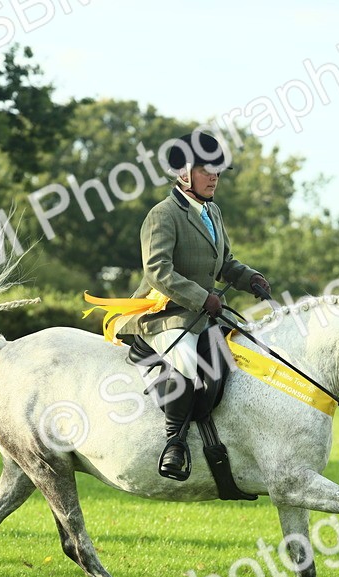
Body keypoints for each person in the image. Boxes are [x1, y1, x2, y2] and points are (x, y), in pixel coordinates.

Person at [113, 131, 271, 480]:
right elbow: (157, 271)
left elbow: (225, 262)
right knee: (186, 362)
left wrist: (250, 279)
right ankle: (175, 443)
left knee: (230, 363)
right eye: (207, 169)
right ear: (184, 173)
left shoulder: (212, 212)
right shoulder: (163, 215)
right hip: (165, 315)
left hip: (206, 315)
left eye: (218, 170)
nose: (215, 176)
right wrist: (202, 297)